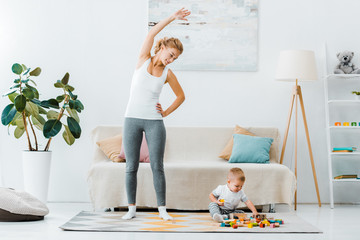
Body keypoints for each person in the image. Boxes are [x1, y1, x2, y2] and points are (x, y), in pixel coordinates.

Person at [121, 8, 191, 220]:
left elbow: (181, 96)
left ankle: (162, 210)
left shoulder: (168, 74)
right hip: (131, 119)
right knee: (131, 166)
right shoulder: (143, 59)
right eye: (171, 55)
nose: (171, 60)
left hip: (154, 122)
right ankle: (131, 209)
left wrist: (166, 112)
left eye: (175, 58)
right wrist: (172, 18)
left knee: (156, 166)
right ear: (162, 48)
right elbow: (151, 34)